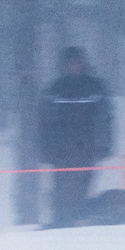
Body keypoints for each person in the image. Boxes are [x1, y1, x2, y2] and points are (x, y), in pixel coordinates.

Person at [39, 47, 113, 228]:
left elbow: (106, 118)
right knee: (61, 189)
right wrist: (45, 149)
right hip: (61, 151)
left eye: (77, 62)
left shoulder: (95, 87)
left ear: (83, 64)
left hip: (87, 148)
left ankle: (76, 222)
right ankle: (59, 223)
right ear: (63, 65)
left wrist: (105, 144)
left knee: (82, 187)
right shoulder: (54, 89)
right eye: (70, 63)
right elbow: (44, 122)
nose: (74, 67)